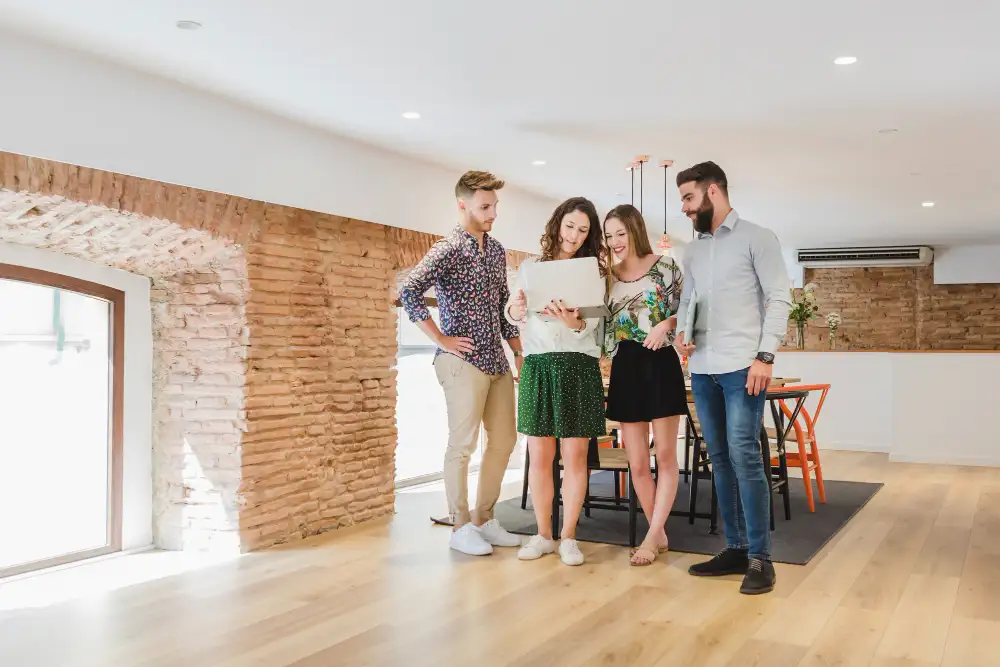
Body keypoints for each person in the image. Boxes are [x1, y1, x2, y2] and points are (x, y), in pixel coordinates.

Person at [673, 161, 792, 594]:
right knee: (718, 458)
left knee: (745, 457)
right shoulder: (692, 250)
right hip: (702, 368)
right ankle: (737, 547)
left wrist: (766, 356)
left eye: (689, 197)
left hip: (744, 365)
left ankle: (761, 558)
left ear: (714, 192)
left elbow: (780, 297)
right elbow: (688, 302)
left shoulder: (758, 238)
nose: (684, 207)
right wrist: (681, 339)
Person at [398, 170, 524, 556]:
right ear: (463, 204)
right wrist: (440, 339)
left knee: (504, 440)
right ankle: (460, 524)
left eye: (494, 206)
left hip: (497, 360)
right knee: (463, 444)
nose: (492, 214)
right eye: (485, 207)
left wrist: (518, 352)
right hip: (462, 361)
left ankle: (485, 519)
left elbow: (503, 309)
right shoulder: (448, 248)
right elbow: (409, 291)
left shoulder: (497, 250)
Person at [504, 197, 608, 566]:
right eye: (570, 227)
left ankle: (569, 537)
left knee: (575, 456)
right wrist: (514, 310)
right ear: (557, 224)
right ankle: (543, 534)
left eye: (583, 230)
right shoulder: (530, 267)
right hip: (538, 366)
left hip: (578, 366)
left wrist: (575, 324)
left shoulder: (594, 272)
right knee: (539, 456)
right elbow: (514, 310)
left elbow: (594, 325)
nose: (575, 236)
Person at [602, 204, 686, 566]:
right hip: (625, 366)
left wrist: (665, 325)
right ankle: (658, 530)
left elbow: (691, 310)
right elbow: (599, 324)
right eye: (608, 235)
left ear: (635, 230)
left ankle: (652, 537)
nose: (615, 241)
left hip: (661, 364)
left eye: (620, 233)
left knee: (665, 457)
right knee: (637, 462)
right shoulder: (607, 276)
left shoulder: (665, 266)